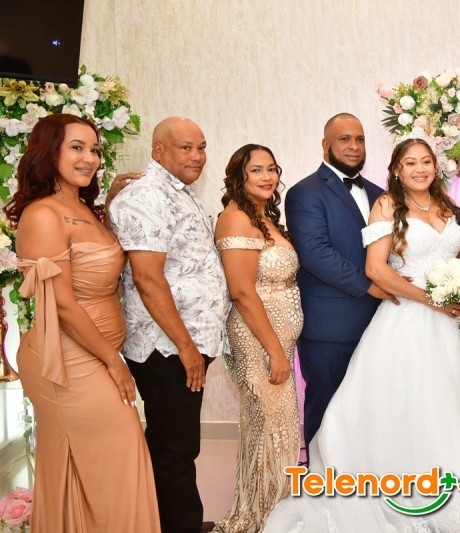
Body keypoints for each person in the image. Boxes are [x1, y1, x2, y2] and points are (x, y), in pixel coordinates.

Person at [264, 138, 460, 531]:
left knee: (459, 407)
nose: (420, 169)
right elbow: (376, 269)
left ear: (435, 167)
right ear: (397, 170)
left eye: (426, 162)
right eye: (411, 162)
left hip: (457, 327)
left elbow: (459, 255)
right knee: (413, 407)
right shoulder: (387, 205)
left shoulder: (447, 205)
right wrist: (431, 299)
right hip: (409, 319)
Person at [5, 113, 160, 532]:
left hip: (92, 354)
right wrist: (112, 361)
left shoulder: (83, 209)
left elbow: (97, 261)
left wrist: (110, 206)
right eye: (77, 147)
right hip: (65, 360)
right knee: (121, 455)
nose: (90, 157)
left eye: (94, 149)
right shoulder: (43, 215)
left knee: (92, 469)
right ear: (48, 151)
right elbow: (63, 304)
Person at [108, 116, 229, 533]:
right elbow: (147, 278)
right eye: (185, 147)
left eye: (201, 147)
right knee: (175, 450)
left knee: (176, 445)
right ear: (158, 150)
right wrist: (186, 347)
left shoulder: (178, 192)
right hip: (166, 347)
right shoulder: (145, 195)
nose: (197, 156)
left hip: (184, 343)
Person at [285, 113, 395, 448]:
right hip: (329, 327)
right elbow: (315, 253)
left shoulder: (380, 194)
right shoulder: (305, 192)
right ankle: (320, 474)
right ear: (325, 145)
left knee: (368, 412)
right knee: (326, 408)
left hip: (378, 324)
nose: (354, 146)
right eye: (344, 139)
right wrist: (372, 285)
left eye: (359, 139)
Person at [213, 144, 302, 531]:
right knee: (268, 428)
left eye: (272, 169)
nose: (268, 177)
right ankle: (259, 517)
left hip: (279, 338)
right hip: (258, 339)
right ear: (239, 176)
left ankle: (275, 511)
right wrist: (274, 351)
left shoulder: (264, 217)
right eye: (256, 170)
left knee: (280, 429)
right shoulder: (235, 218)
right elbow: (242, 292)